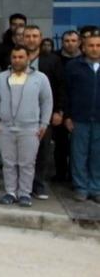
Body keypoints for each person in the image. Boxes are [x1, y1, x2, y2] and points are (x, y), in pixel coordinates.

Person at [0, 46, 53, 208]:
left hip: (30, 128)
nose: (17, 60)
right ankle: (10, 192)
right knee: (8, 163)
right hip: (6, 128)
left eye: (21, 57)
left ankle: (25, 193)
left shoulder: (40, 78)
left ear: (28, 59)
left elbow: (47, 101)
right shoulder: (1, 78)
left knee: (27, 163)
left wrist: (44, 124)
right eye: (14, 57)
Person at [22, 25, 66, 200]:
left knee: (42, 151)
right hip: (21, 114)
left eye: (35, 36)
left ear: (40, 38)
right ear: (22, 38)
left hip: (44, 114)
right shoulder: (16, 57)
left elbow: (61, 86)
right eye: (28, 36)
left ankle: (38, 185)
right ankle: (21, 185)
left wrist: (59, 111)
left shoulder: (52, 60)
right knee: (22, 153)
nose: (31, 39)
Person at [64, 30, 100, 203]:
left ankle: (96, 188)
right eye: (91, 45)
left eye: (98, 45)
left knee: (97, 155)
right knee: (79, 155)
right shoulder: (73, 66)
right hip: (79, 118)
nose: (95, 48)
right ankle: (80, 187)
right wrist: (67, 116)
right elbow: (66, 93)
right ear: (83, 48)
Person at [54, 30, 82, 182]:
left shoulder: (85, 60)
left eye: (73, 41)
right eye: (67, 41)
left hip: (78, 109)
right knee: (60, 145)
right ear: (62, 42)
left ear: (79, 42)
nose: (70, 44)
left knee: (78, 148)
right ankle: (60, 174)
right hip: (60, 107)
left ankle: (75, 176)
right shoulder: (55, 59)